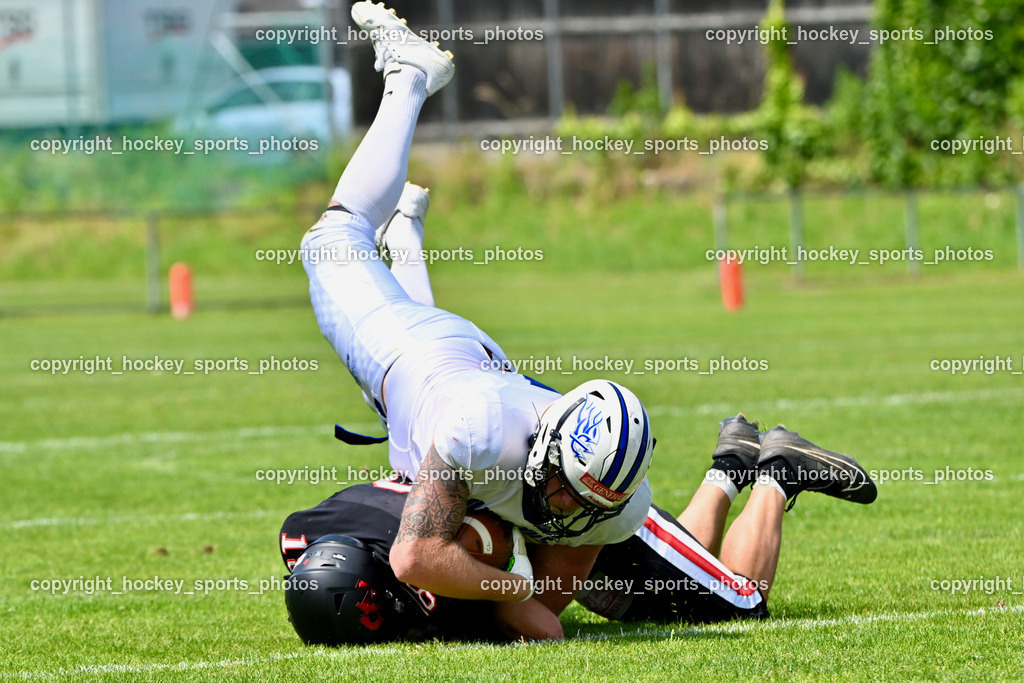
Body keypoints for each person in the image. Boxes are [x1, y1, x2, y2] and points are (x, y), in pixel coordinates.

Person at [300, 0, 654, 632]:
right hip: (429, 358)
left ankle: (405, 236)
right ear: (548, 446)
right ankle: (409, 75)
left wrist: (509, 588)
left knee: (419, 419)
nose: (570, 508)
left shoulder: (614, 502)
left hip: (466, 368)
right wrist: (507, 580)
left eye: (590, 502)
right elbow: (415, 557)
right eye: (572, 487)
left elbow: (546, 617)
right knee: (333, 238)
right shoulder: (484, 431)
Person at [279, 414, 877, 643]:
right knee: (671, 582)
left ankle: (775, 473)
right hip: (546, 511)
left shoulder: (428, 567)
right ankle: (730, 464)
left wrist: (498, 593)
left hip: (579, 519)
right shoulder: (309, 535)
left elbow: (533, 619)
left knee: (740, 601)